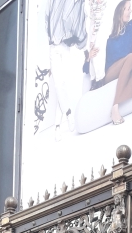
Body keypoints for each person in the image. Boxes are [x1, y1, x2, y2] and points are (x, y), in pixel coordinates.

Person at [46, 0, 88, 141]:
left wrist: (82, 44)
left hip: (65, 45)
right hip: (53, 46)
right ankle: (69, 113)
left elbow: (76, 20)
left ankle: (57, 126)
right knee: (59, 85)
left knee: (62, 86)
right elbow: (47, 17)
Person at [104, 0, 132, 125]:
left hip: (126, 63)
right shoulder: (111, 38)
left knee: (130, 57)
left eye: (130, 8)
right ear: (120, 12)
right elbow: (112, 59)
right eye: (127, 9)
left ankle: (115, 107)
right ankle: (115, 109)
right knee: (130, 57)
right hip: (110, 72)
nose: (130, 11)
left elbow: (131, 50)